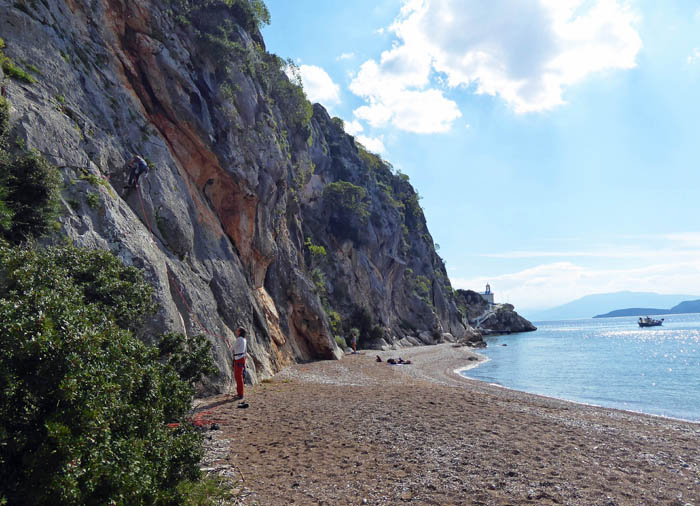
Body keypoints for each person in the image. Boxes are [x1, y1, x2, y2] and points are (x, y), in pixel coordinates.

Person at [232, 326, 247, 400]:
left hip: (238, 358)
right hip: (241, 358)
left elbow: (233, 348)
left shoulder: (239, 339)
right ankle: (240, 393)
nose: (236, 332)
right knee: (239, 376)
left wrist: (229, 345)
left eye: (237, 331)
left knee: (238, 377)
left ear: (240, 332)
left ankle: (240, 394)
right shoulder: (244, 339)